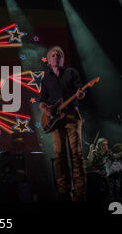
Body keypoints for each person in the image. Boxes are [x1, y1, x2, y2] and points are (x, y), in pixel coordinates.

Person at [38, 46, 87, 201]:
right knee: (59, 155)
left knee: (77, 154)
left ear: (62, 59)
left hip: (72, 116)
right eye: (52, 55)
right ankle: (64, 192)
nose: (55, 56)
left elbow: (81, 91)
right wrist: (47, 111)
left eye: (58, 55)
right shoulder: (46, 77)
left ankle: (80, 192)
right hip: (56, 121)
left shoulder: (71, 72)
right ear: (49, 60)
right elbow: (41, 102)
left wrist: (80, 93)